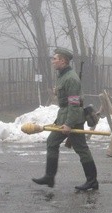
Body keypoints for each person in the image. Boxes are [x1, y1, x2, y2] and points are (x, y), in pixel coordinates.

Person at [32, 48, 99, 191]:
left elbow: (74, 104)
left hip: (73, 118)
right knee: (52, 142)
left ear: (63, 61)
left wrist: (69, 124)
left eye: (54, 59)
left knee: (81, 148)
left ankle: (92, 181)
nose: (52, 61)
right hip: (63, 116)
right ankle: (49, 177)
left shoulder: (71, 78)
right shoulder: (62, 75)